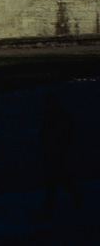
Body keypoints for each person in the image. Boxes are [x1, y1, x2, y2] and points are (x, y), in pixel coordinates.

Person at [38, 91, 84, 219]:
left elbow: (64, 135)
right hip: (54, 153)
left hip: (55, 153)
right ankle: (77, 196)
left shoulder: (57, 115)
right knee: (59, 179)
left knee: (52, 183)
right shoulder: (57, 114)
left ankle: (47, 212)